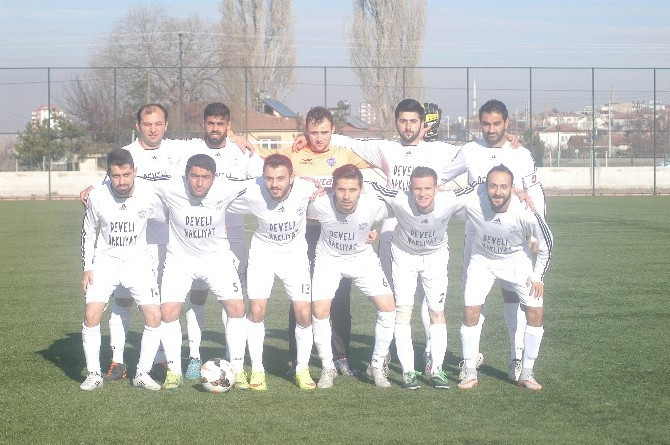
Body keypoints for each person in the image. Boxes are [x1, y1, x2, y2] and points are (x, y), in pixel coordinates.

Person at [255, 106, 371, 377]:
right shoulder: (294, 153)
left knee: (339, 295)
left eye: (324, 132)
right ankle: (297, 359)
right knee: (300, 296)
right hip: (303, 232)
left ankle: (340, 356)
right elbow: (262, 157)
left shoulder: (344, 154)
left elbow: (378, 158)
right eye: (313, 132)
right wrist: (236, 139)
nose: (319, 138)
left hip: (336, 231)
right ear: (305, 131)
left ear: (333, 131)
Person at [442, 99, 546, 382]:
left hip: (514, 236)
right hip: (476, 236)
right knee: (473, 297)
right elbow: (441, 177)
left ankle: (516, 358)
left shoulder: (520, 153)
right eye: (486, 124)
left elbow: (535, 192)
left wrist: (535, 235)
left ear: (506, 124)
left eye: (496, 123)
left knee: (514, 296)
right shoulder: (470, 151)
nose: (491, 129)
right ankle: (471, 360)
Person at [80, 103, 184, 383]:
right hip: (128, 248)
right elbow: (107, 186)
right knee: (122, 302)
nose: (153, 129)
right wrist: (92, 188)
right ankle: (117, 361)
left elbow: (208, 150)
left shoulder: (178, 151)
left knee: (158, 308)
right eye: (147, 124)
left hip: (163, 244)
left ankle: (159, 360)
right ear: (138, 126)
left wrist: (235, 139)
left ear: (166, 125)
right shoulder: (126, 154)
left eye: (158, 124)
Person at [369, 167, 477, 389]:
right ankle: (408, 371)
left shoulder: (449, 200)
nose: (422, 193)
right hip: (404, 256)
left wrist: (517, 192)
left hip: (435, 257)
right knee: (403, 312)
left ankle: (436, 370)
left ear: (437, 188)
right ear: (410, 188)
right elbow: (370, 186)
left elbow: (478, 188)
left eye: (428, 188)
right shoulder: (400, 199)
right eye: (417, 188)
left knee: (436, 312)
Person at [177, 103, 264, 380]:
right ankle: (194, 356)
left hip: (233, 238)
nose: (215, 129)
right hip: (198, 240)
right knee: (198, 295)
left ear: (228, 126)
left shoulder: (242, 153)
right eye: (211, 123)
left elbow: (265, 181)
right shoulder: (190, 151)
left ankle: (232, 359)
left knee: (233, 301)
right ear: (204, 124)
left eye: (221, 124)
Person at [153, 154, 250, 390]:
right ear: (186, 175)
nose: (199, 183)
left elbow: (261, 183)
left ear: (214, 178)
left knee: (237, 308)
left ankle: (238, 369)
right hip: (180, 260)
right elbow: (137, 181)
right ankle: (174, 372)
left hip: (216, 259)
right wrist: (98, 187)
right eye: (194, 176)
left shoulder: (225, 189)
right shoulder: (170, 188)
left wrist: (305, 183)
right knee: (168, 312)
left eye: (205, 177)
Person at [227, 154, 321, 390]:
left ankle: (302, 369)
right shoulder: (252, 190)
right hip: (263, 254)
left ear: (292, 177)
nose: (275, 184)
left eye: (280, 178)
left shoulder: (306, 189)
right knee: (256, 310)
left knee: (304, 313)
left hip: (295, 255)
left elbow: (334, 199)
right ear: (263, 177)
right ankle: (257, 369)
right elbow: (219, 194)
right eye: (269, 178)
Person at [457, 165, 552, 391]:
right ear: (485, 187)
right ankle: (469, 371)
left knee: (535, 311)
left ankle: (527, 373)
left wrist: (538, 276)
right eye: (493, 186)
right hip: (482, 260)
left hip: (516, 260)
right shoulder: (474, 202)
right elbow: (443, 202)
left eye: (503, 187)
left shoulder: (525, 211)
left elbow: (547, 242)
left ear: (512, 188)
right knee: (471, 310)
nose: (498, 192)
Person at [79, 148, 163, 391]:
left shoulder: (149, 193)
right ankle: (93, 374)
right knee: (91, 315)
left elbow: (172, 214)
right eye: (116, 176)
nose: (122, 181)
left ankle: (142, 374)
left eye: (126, 174)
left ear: (135, 171)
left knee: (154, 316)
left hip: (138, 262)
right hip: (105, 262)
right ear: (108, 175)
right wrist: (87, 267)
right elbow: (89, 232)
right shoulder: (97, 197)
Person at [307, 164, 395, 388]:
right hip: (329, 260)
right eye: (341, 189)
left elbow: (405, 206)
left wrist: (372, 232)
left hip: (361, 258)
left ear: (361, 190)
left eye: (352, 190)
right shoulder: (319, 203)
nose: (346, 196)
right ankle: (328, 367)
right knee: (319, 310)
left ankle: (376, 366)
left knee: (388, 307)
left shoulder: (373, 205)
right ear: (333, 189)